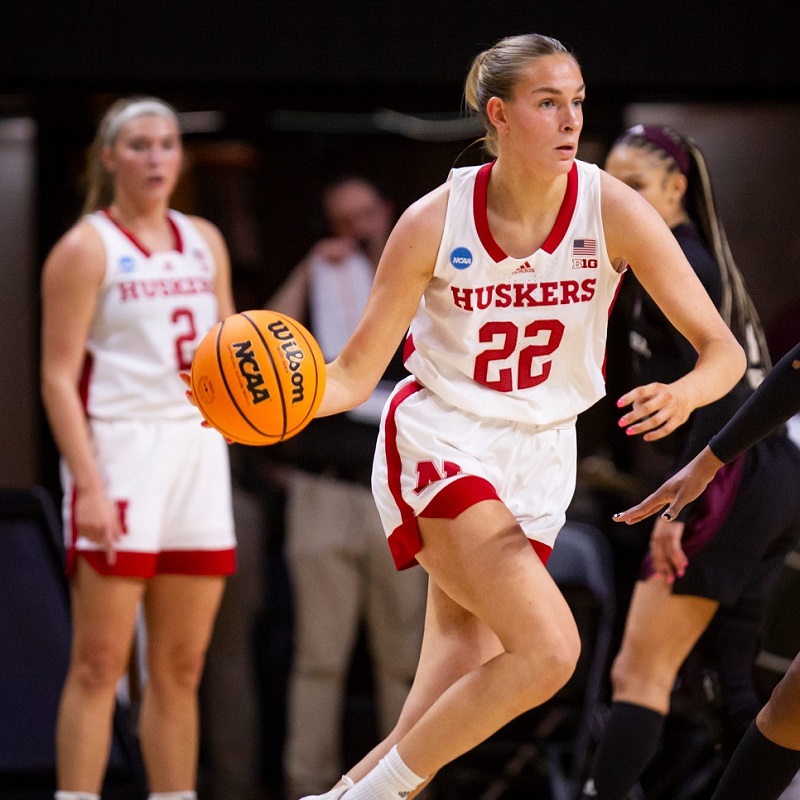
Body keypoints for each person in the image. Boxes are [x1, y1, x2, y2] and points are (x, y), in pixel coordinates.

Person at [281, 33, 751, 800]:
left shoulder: (613, 207)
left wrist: (686, 394)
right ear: (498, 115)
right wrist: (275, 408)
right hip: (444, 438)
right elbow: (352, 375)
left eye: (577, 103)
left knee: (438, 705)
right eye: (548, 103)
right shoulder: (433, 221)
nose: (570, 120)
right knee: (550, 650)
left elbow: (722, 353)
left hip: (540, 453)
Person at [578, 126, 800, 800]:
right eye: (611, 187)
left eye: (636, 186)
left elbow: (729, 385)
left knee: (639, 672)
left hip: (734, 474)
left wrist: (683, 507)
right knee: (732, 679)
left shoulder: (684, 263)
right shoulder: (661, 264)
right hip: (772, 475)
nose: (620, 200)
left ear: (676, 189)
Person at [40, 96, 237, 800]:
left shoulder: (204, 239)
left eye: (167, 145)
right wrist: (87, 485)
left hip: (197, 452)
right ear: (110, 157)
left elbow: (232, 351)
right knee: (99, 663)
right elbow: (57, 378)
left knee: (182, 668)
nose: (157, 157)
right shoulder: (85, 246)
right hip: (120, 451)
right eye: (141, 145)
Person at [266, 176, 427, 799]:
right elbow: (258, 343)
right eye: (343, 220)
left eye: (365, 213)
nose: (357, 228)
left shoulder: (427, 271)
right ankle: (306, 787)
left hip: (405, 487)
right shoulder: (325, 278)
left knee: (406, 661)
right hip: (326, 488)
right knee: (318, 657)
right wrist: (310, 268)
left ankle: (405, 790)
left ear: (386, 209)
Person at [615, 339, 800, 800]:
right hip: (765, 466)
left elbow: (729, 362)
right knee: (774, 699)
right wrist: (707, 463)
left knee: (644, 671)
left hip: (759, 477)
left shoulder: (691, 269)